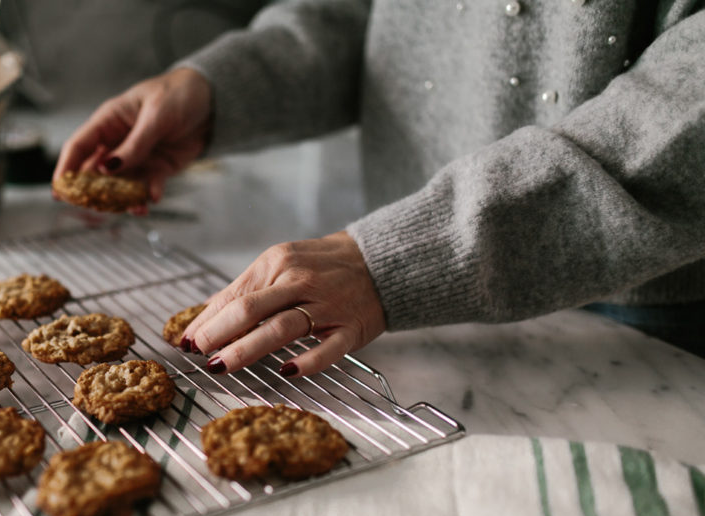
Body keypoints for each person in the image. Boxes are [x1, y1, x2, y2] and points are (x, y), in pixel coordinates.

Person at [53, 0, 705, 376]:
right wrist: (220, 90)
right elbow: (365, 14)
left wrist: (405, 257)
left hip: (638, 324)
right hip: (392, 302)